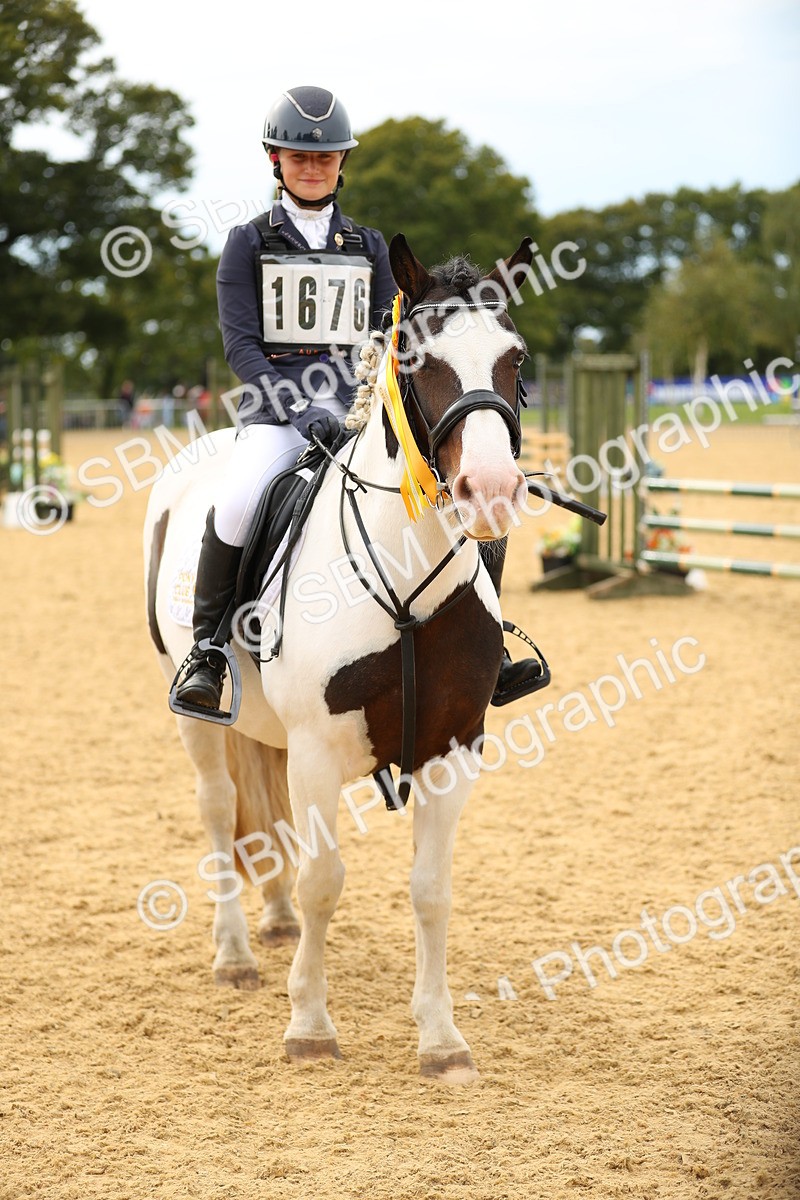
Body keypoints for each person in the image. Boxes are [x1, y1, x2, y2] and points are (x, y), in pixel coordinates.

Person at [174, 85, 544, 716]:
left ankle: (490, 642)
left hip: (360, 411)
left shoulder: (368, 246)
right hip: (277, 415)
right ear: (275, 160)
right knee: (238, 501)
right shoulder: (247, 242)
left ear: (341, 162)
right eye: (299, 157)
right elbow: (241, 346)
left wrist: (362, 404)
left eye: (324, 157)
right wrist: (297, 409)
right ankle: (207, 653)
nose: (312, 168)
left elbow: (385, 335)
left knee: (468, 493)